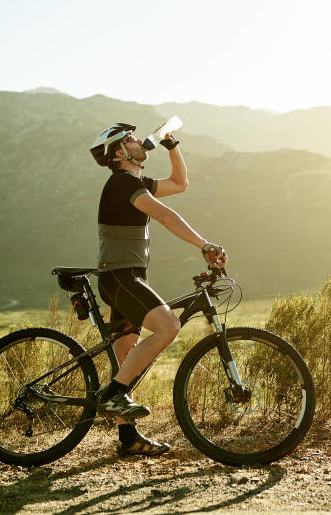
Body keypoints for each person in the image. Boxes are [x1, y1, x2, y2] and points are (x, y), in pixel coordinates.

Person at [88, 122, 227, 457]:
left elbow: (180, 184)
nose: (139, 141)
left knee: (126, 357)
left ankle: (128, 439)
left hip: (126, 276)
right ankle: (113, 394)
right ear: (120, 152)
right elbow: (164, 216)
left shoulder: (135, 181)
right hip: (121, 278)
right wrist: (204, 244)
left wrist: (171, 144)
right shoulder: (122, 182)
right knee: (169, 327)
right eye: (130, 139)